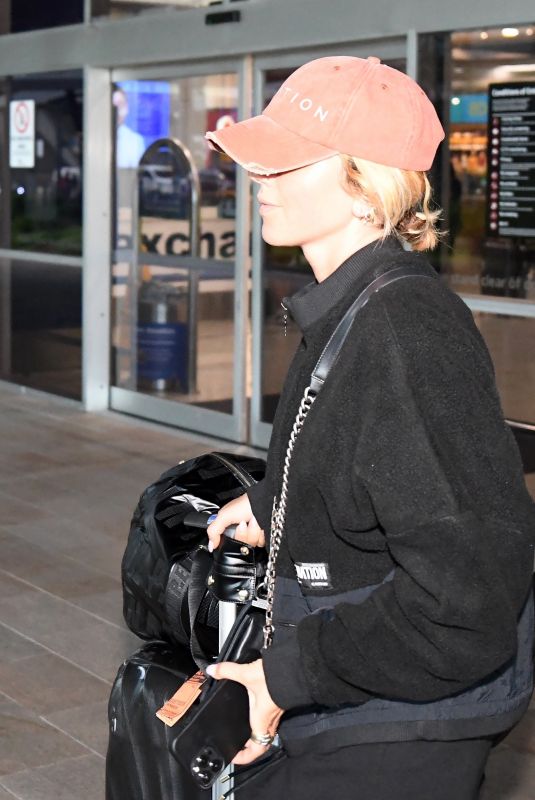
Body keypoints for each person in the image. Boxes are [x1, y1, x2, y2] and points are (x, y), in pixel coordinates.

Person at [204, 56, 535, 800]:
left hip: (397, 731)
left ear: (365, 186)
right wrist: (271, 508)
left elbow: (467, 598)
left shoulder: (405, 334)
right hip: (369, 700)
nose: (259, 180)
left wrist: (285, 674)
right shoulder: (352, 305)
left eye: (287, 164)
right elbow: (357, 460)